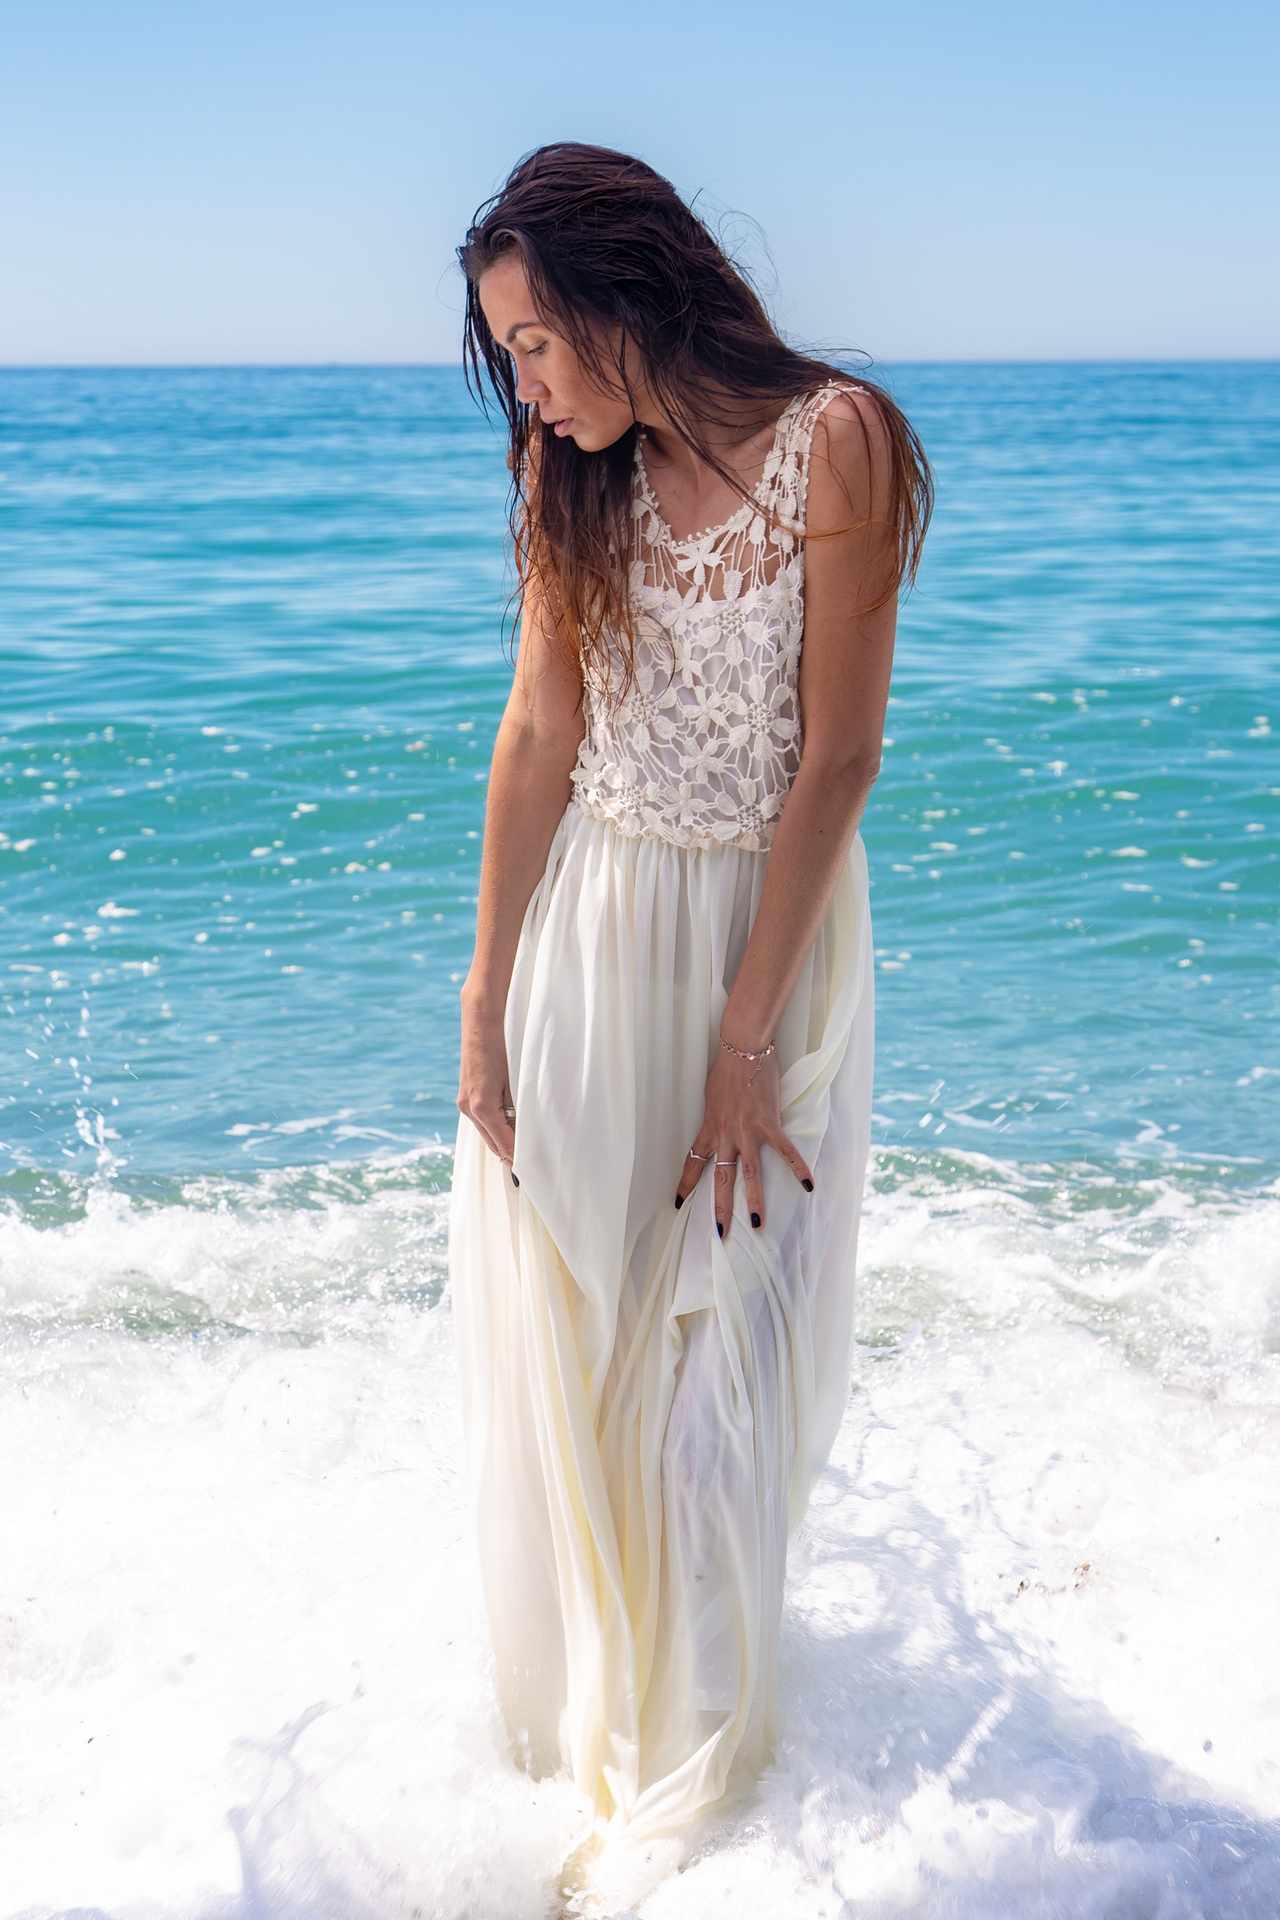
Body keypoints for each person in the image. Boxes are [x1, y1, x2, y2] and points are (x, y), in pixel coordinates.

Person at [448, 143, 931, 1862]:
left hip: (767, 961)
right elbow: (537, 738)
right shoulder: (566, 474)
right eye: (511, 354)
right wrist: (485, 993)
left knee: (716, 1398)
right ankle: (593, 1774)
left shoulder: (836, 440)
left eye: (537, 343)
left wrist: (747, 1044)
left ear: (626, 294)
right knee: (583, 1372)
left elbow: (840, 759)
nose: (529, 384)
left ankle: (707, 1813)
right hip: (592, 948)